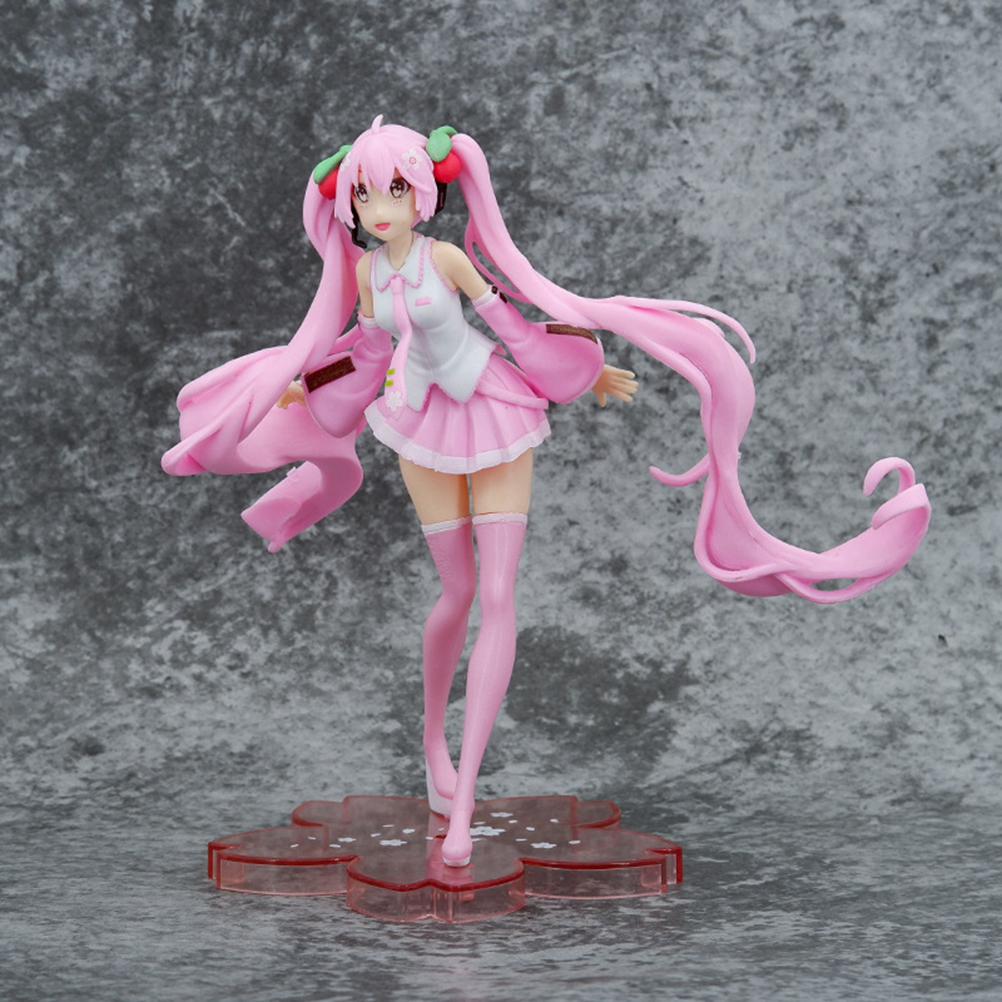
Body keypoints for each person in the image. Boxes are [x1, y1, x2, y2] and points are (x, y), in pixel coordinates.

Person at [162, 116, 929, 866]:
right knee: (456, 592)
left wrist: (583, 370)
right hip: (417, 421)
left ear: (423, 193)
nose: (379, 207)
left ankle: (465, 801)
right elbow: (366, 350)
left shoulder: (445, 260)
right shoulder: (367, 274)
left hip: (492, 408)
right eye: (365, 194)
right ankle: (433, 746)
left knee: (498, 594)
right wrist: (301, 385)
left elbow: (511, 324)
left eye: (394, 189)